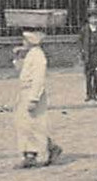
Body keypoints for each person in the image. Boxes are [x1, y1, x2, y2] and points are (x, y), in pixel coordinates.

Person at [13, 29, 61, 168]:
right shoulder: (30, 55)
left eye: (25, 40)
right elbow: (20, 71)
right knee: (24, 124)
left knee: (34, 124)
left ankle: (38, 152)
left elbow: (39, 79)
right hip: (24, 93)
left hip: (33, 93)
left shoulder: (39, 56)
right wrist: (18, 57)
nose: (22, 43)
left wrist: (34, 98)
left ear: (31, 41)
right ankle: (32, 152)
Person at [78, 11, 97, 102]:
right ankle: (88, 94)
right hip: (88, 55)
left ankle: (96, 93)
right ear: (89, 19)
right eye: (92, 18)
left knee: (96, 76)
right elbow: (80, 41)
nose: (94, 20)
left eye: (96, 18)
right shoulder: (84, 29)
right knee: (88, 76)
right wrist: (82, 52)